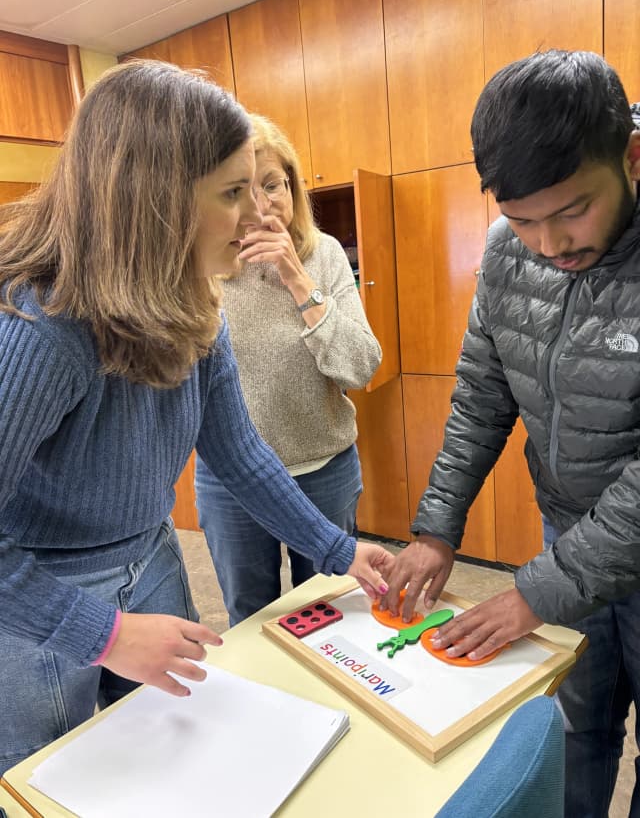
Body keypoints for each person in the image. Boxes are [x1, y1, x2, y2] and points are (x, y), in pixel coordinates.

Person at [0, 60, 395, 776]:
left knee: (175, 745)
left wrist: (337, 549)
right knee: (46, 776)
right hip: (39, 589)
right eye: (234, 192)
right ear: (157, 201)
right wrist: (104, 633)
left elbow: (239, 453)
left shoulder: (197, 300)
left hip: (148, 556)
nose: (258, 216)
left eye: (261, 187)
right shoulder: (42, 327)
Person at [382, 50, 640, 818]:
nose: (549, 244)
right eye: (521, 219)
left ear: (631, 156)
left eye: (572, 210)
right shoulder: (507, 255)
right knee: (580, 717)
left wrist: (533, 591)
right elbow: (482, 397)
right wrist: (435, 529)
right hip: (568, 527)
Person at [195, 114, 382, 625]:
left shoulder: (321, 256)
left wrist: (298, 280)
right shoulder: (202, 263)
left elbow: (360, 366)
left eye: (273, 185)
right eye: (240, 189)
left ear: (293, 187)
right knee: (248, 614)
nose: (260, 205)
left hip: (322, 467)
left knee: (328, 610)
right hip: (229, 480)